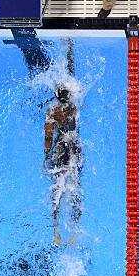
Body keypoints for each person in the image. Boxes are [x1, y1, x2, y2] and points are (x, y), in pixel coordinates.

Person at [44, 86, 83, 246]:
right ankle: (74, 231)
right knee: (75, 187)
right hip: (75, 148)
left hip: (60, 151)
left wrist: (46, 156)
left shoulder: (52, 111)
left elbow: (48, 137)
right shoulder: (74, 107)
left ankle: (56, 230)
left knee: (57, 189)